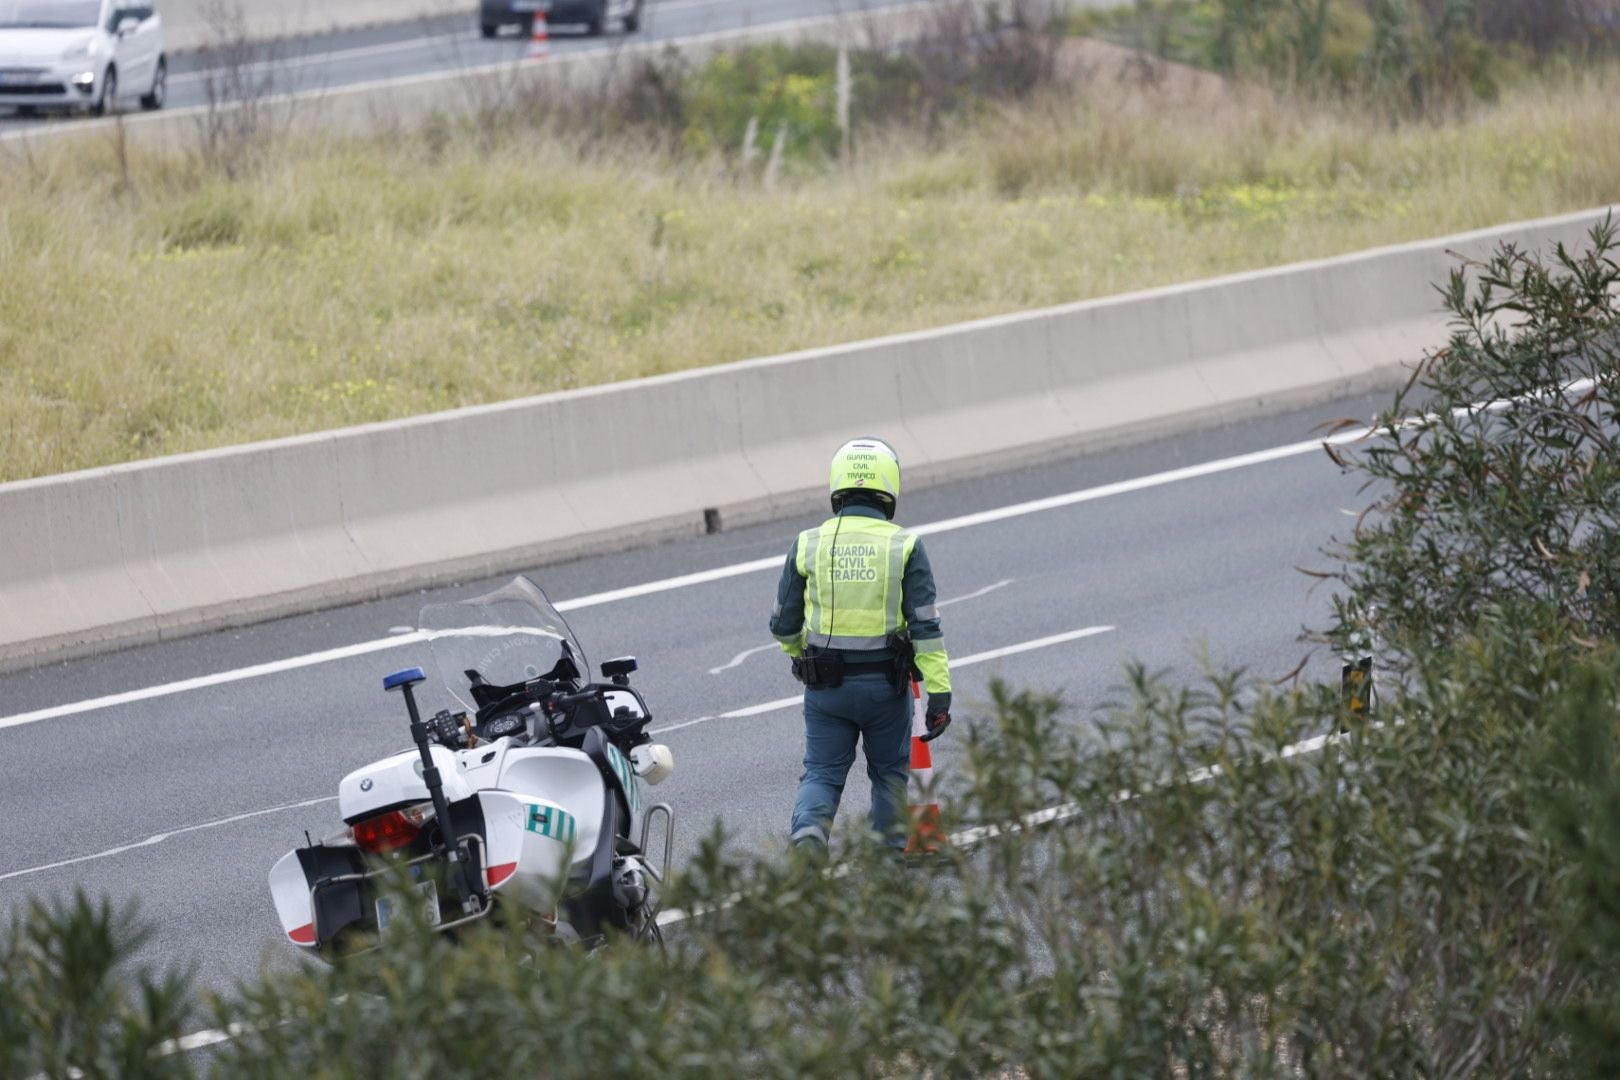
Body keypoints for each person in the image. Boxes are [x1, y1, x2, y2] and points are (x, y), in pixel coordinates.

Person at [768, 436, 952, 852]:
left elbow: (782, 624)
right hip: (886, 690)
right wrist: (939, 695)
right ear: (889, 488)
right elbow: (926, 630)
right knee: (888, 775)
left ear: (837, 486)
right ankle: (887, 871)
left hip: (826, 689)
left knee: (821, 774)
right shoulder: (904, 545)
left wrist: (800, 656)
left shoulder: (807, 543)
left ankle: (809, 844)